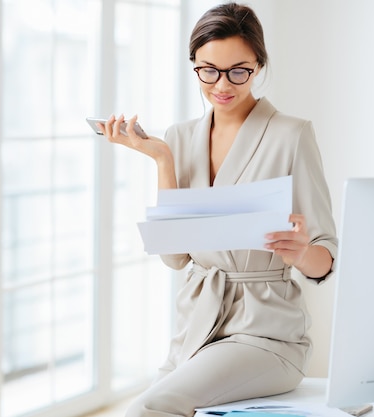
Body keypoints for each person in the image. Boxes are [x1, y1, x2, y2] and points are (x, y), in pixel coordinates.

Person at [98, 2, 337, 416]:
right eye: (208, 70)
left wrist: (301, 252)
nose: (222, 84)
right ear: (194, 64)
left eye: (238, 71)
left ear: (259, 65)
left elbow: (324, 259)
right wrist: (162, 160)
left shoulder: (291, 135)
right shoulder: (180, 137)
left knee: (152, 407)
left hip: (266, 335)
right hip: (196, 328)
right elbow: (176, 258)